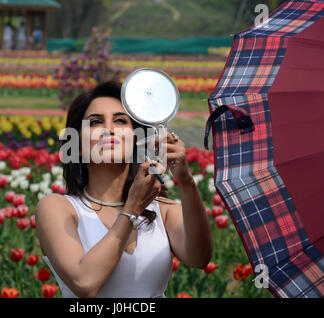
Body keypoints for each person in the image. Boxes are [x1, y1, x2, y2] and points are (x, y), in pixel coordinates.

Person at [35, 80, 213, 298]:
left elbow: (199, 257)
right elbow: (85, 283)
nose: (109, 130)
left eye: (120, 121)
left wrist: (186, 181)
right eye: (95, 122)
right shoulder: (58, 208)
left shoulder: (163, 210)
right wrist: (132, 209)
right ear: (78, 143)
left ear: (138, 138)